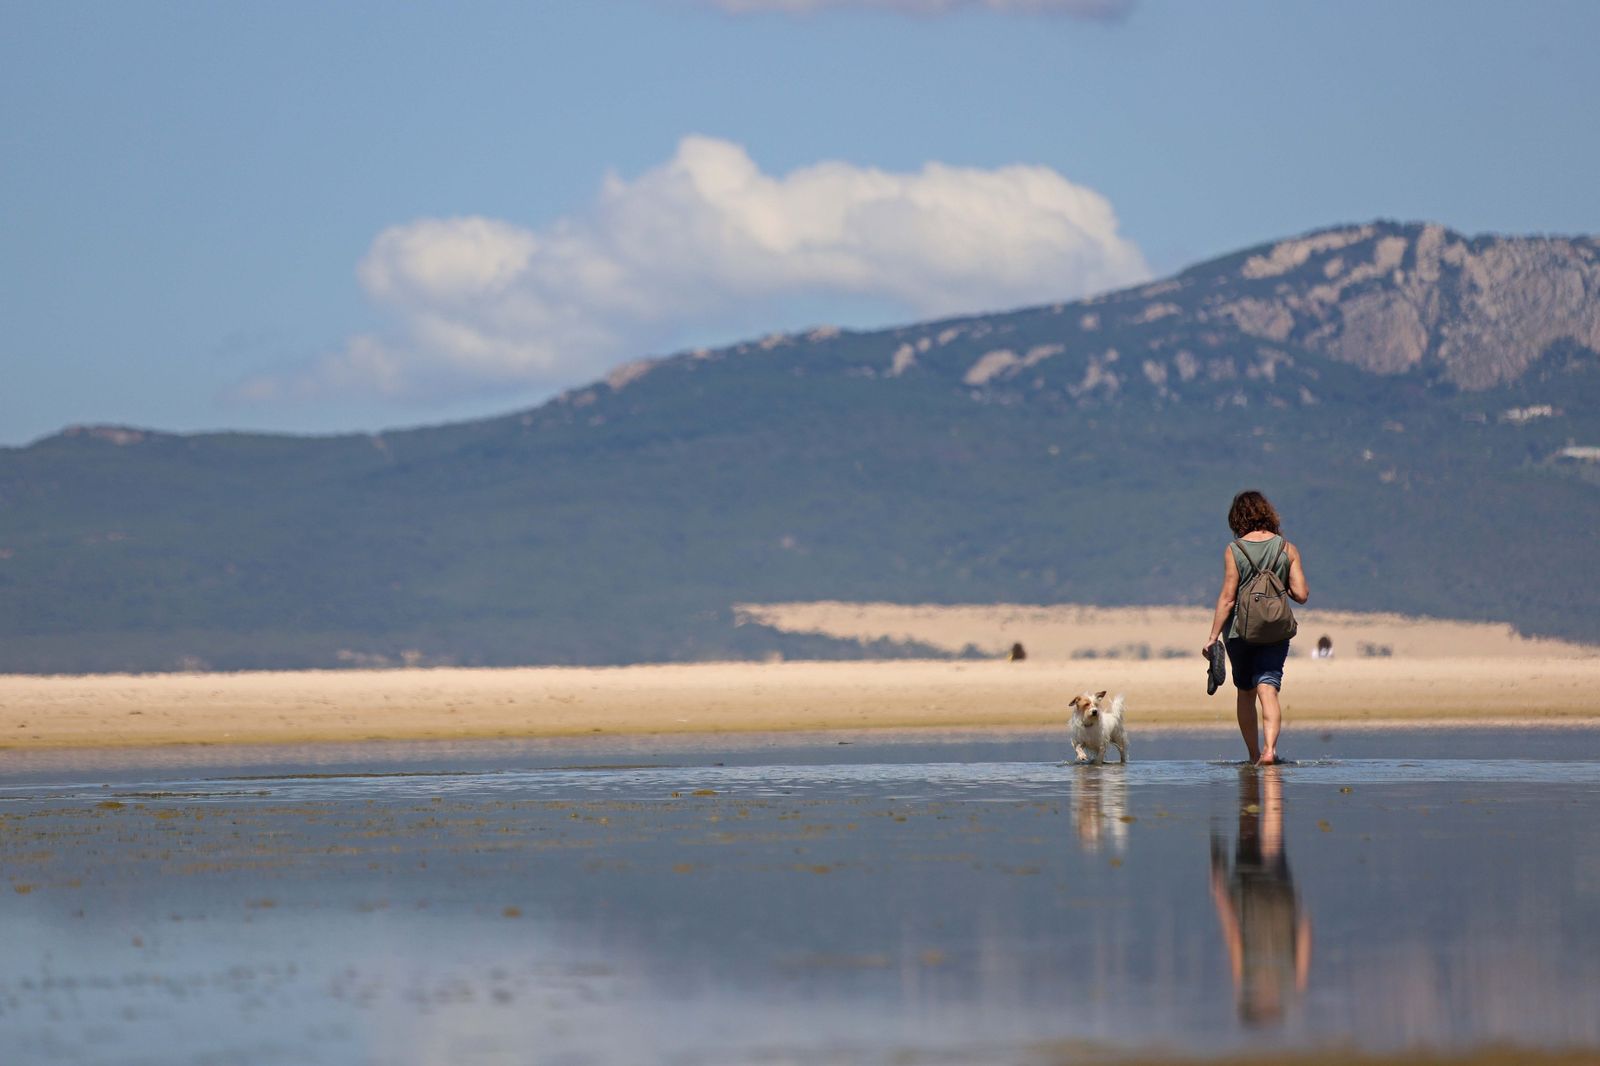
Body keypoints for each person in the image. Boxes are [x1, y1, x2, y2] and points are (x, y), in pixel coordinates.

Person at [1202, 490, 1309, 765]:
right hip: (1276, 631)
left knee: (1245, 691)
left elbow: (1228, 598)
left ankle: (1253, 755)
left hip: (1241, 632)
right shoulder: (1287, 548)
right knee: (1268, 687)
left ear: (1237, 518)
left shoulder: (1235, 549)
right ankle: (1270, 750)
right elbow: (1302, 594)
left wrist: (1212, 638)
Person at [1210, 767, 1313, 1025]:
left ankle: (1261, 773)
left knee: (1259, 836)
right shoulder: (1287, 982)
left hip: (1257, 899)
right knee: (1268, 839)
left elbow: (1234, 937)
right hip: (1273, 901)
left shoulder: (1253, 979)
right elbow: (1300, 941)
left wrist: (1221, 894)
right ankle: (1265, 774)